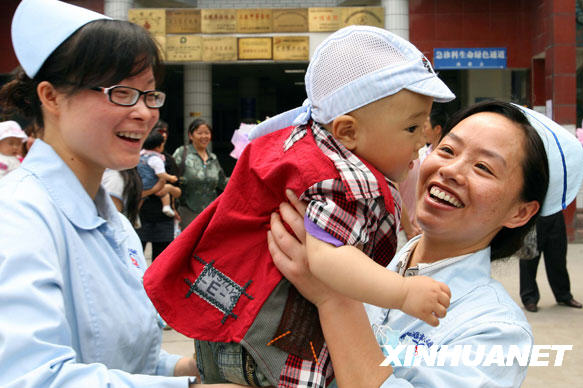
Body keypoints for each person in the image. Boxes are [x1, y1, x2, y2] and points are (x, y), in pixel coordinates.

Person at [144, 26, 454, 387]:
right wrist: (403, 293)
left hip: (226, 332)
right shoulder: (342, 178)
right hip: (269, 346)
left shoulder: (301, 144)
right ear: (348, 131)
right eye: (412, 128)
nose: (423, 141)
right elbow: (328, 259)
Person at [0, 1, 242, 387]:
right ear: (51, 97)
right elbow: (30, 377)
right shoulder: (17, 217)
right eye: (122, 93)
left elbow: (133, 360)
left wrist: (196, 369)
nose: (145, 113)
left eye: (149, 95)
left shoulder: (116, 227)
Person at [267, 100, 583, 387]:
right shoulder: (366, 247)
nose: (450, 170)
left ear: (520, 212)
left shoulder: (497, 332)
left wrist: (333, 296)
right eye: (447, 150)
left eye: (483, 168)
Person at [397, 105, 449, 242]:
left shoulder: (419, 156)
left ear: (437, 129)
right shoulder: (413, 156)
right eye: (415, 128)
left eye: (424, 127)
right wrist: (410, 227)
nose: (423, 133)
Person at [519, 211, 583, 312]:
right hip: (532, 216)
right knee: (529, 259)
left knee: (558, 259)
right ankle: (529, 298)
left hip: (555, 213)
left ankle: (564, 295)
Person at [173, 118, 227, 229]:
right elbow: (170, 177)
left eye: (207, 133)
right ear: (190, 135)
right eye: (199, 133)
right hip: (187, 211)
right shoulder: (182, 153)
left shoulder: (213, 158)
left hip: (210, 212)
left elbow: (223, 183)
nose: (204, 136)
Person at [138, 128, 178, 217]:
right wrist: (170, 178)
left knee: (140, 198)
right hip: (151, 183)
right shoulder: (156, 158)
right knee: (164, 191)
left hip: (140, 183)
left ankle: (135, 213)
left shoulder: (140, 154)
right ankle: (166, 206)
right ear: (159, 147)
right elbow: (160, 174)